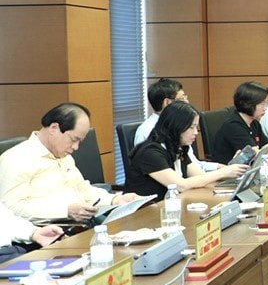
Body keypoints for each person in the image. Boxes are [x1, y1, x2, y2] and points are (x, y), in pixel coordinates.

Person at [0, 103, 140, 222]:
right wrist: (65, 210)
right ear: (54, 128)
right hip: (51, 232)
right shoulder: (16, 159)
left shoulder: (63, 156)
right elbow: (10, 208)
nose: (76, 147)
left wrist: (114, 200)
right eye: (73, 139)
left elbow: (83, 189)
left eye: (80, 142)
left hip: (83, 222)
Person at [126, 102, 247, 200]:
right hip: (146, 212)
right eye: (191, 127)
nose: (196, 132)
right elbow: (180, 185)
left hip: (172, 206)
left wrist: (231, 169)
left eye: (196, 127)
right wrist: (223, 172)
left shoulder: (179, 147)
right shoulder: (150, 153)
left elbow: (200, 177)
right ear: (175, 126)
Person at [134, 77, 217, 172]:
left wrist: (222, 168)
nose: (187, 103)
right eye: (182, 99)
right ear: (167, 103)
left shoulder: (178, 129)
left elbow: (193, 165)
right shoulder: (148, 132)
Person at [211, 82, 268, 165]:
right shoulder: (234, 126)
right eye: (263, 104)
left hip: (249, 169)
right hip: (228, 173)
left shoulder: (254, 122)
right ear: (249, 104)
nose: (265, 108)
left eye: (266, 103)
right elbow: (256, 155)